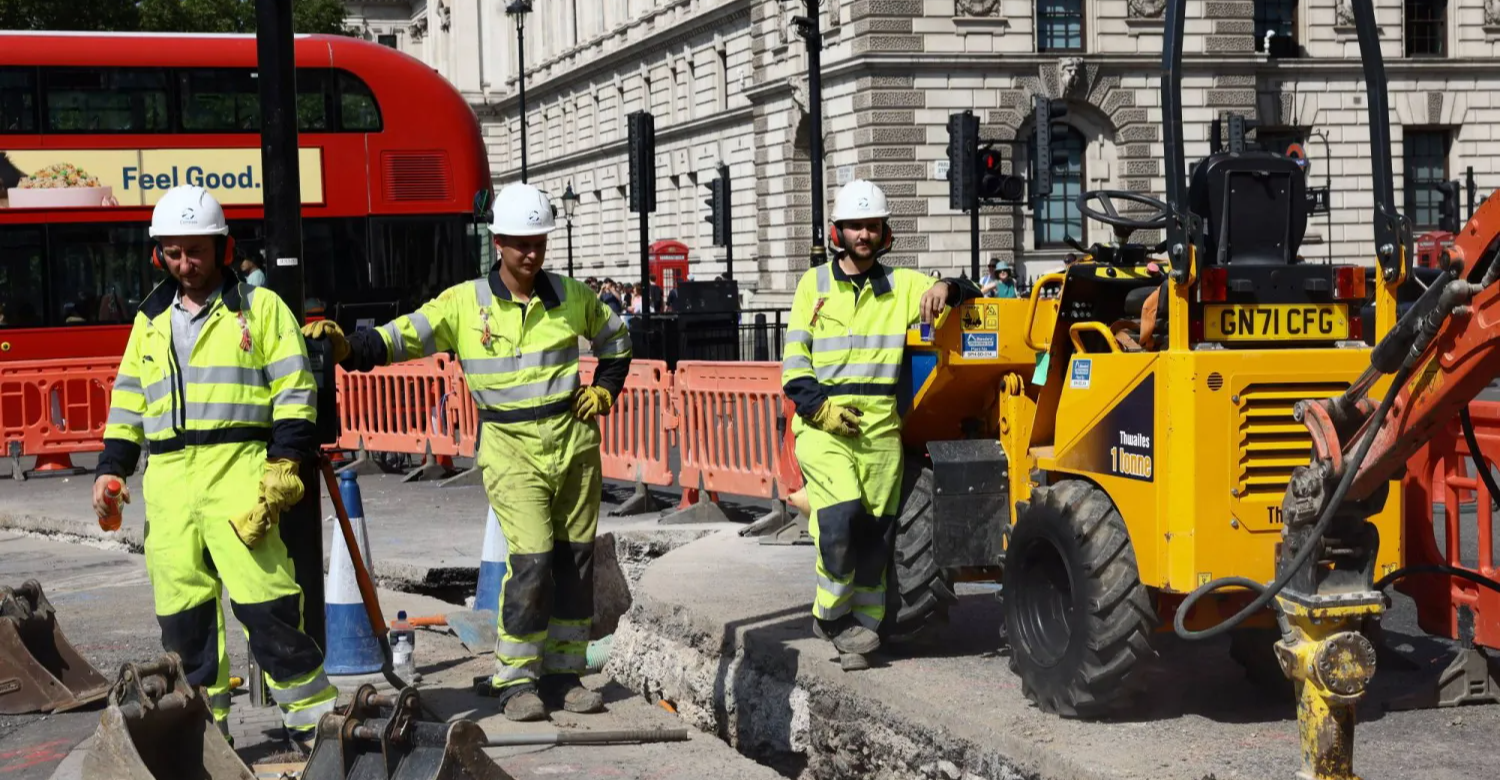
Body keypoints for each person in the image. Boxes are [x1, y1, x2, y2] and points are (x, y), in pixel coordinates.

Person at [305, 182, 631, 721]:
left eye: (539, 242)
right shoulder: (464, 304)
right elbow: (400, 337)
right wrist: (349, 347)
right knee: (530, 560)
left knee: (574, 561)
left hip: (574, 448)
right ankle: (515, 677)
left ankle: (564, 672)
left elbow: (617, 340)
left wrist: (606, 388)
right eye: (521, 243)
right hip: (511, 449)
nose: (531, 253)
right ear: (498, 241)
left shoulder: (572, 297)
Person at [91, 185, 334, 749]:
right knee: (184, 623)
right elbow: (129, 403)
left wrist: (286, 460)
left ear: (222, 247)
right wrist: (111, 469)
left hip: (239, 472)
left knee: (268, 605)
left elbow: (295, 388)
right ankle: (209, 738)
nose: (186, 264)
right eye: (173, 253)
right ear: (159, 254)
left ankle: (316, 725)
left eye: (196, 251)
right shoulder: (149, 319)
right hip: (171, 483)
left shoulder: (260, 306)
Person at [780, 179, 978, 669]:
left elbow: (967, 290)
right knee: (841, 517)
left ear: (884, 232)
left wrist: (945, 287)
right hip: (825, 428)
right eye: (855, 227)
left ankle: (862, 634)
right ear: (837, 232)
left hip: (880, 434)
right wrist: (819, 409)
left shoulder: (904, 285)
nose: (864, 235)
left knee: (876, 535)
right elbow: (794, 365)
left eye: (872, 226)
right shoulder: (814, 286)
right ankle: (830, 615)